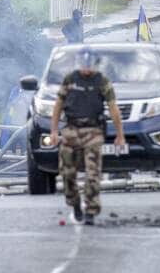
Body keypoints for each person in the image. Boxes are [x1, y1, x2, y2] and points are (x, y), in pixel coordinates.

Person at [49, 47, 127, 225]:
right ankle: (75, 203)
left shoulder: (101, 81)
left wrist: (120, 135)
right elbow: (58, 105)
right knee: (67, 172)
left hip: (93, 131)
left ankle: (91, 210)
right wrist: (54, 131)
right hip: (71, 130)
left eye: (89, 64)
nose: (86, 68)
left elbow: (113, 108)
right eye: (83, 64)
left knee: (93, 173)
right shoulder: (70, 79)